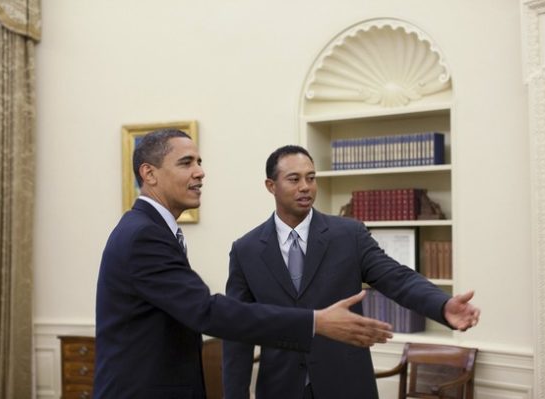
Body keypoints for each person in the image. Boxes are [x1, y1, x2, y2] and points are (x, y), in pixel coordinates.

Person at [94, 130, 394, 399]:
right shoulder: (144, 235)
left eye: (199, 162)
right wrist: (314, 322)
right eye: (186, 163)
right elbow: (207, 311)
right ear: (149, 173)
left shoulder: (150, 229)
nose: (200, 172)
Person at [222, 145, 481, 399]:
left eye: (311, 178)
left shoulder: (349, 235)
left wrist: (442, 305)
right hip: (281, 387)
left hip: (346, 383)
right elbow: (237, 332)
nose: (305, 186)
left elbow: (396, 277)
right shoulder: (246, 250)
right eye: (294, 179)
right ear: (271, 186)